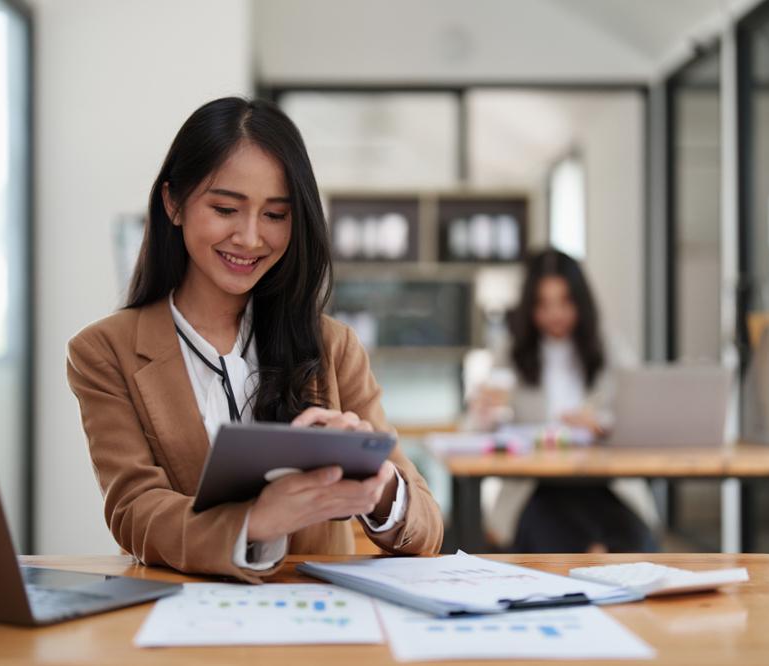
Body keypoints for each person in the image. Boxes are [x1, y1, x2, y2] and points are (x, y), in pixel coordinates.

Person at [66, 97, 443, 583]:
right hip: (186, 623)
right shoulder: (104, 352)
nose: (249, 237)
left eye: (276, 215)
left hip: (318, 626)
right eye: (226, 208)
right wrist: (256, 522)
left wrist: (382, 488)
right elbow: (134, 511)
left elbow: (427, 529)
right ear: (173, 203)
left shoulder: (333, 346)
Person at [479, 249, 658, 553]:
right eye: (543, 304)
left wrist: (601, 424)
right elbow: (480, 427)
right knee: (559, 539)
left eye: (565, 301)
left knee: (636, 541)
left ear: (581, 301)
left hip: (603, 484)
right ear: (529, 306)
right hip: (536, 487)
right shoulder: (510, 353)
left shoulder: (608, 345)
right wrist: (486, 414)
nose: (555, 314)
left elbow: (641, 414)